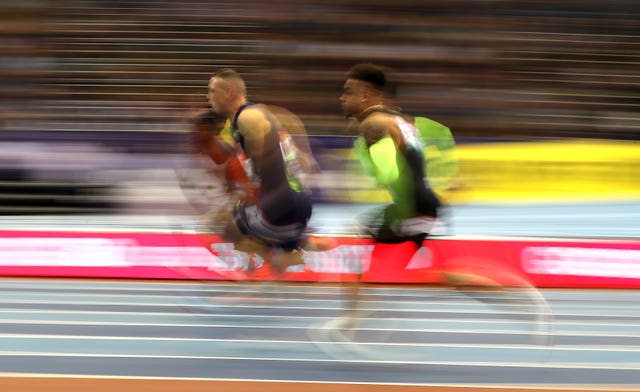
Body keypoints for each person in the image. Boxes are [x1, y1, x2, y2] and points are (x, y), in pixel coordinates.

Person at [205, 68, 315, 274]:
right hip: (289, 199)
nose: (208, 96)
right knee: (234, 217)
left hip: (282, 202)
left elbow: (262, 169)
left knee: (221, 222)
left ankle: (275, 256)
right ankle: (287, 254)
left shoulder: (249, 118)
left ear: (229, 93)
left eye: (212, 91)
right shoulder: (240, 121)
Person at [339, 63, 443, 282]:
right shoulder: (394, 118)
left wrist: (365, 149)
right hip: (423, 203)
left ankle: (354, 314)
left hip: (409, 209)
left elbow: (386, 175)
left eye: (348, 92)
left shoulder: (373, 125)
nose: (341, 98)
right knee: (375, 269)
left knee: (354, 239)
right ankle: (510, 290)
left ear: (365, 95)